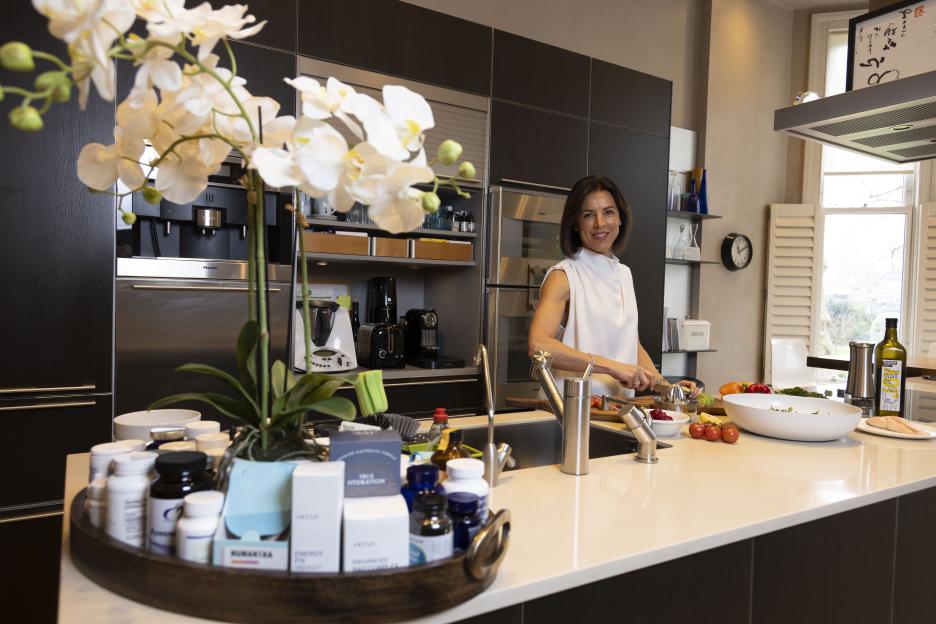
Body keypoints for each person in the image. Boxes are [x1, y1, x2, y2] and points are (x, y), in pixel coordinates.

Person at [528, 175, 693, 398]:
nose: (600, 223)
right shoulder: (564, 276)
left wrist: (666, 386)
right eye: (588, 215)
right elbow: (538, 345)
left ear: (620, 218)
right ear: (576, 223)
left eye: (608, 212)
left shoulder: (624, 274)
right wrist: (612, 367)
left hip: (616, 410)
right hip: (569, 409)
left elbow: (629, 342)